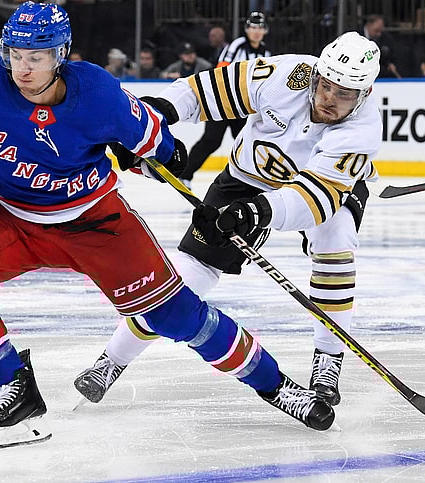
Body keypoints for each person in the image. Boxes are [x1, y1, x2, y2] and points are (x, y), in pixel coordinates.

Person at [0, 1, 335, 449]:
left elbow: (164, 150)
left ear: (61, 54)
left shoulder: (99, 94)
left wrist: (146, 159)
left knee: (176, 315)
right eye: (14, 54)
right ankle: (13, 387)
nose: (21, 68)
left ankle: (276, 385)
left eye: (36, 57)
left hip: (95, 222)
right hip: (10, 215)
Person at [75, 31, 383, 414]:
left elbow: (314, 200)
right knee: (186, 282)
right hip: (245, 180)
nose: (329, 99)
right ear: (317, 73)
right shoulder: (286, 75)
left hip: (322, 189)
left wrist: (257, 213)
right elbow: (204, 91)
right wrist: (148, 118)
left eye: (344, 94)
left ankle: (328, 361)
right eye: (326, 85)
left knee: (336, 242)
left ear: (364, 95)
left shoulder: (362, 130)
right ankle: (111, 361)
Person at [181, 12, 272, 185]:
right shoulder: (237, 45)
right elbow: (221, 68)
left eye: (260, 27)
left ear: (265, 30)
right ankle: (185, 174)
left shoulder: (266, 52)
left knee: (247, 142)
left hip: (243, 106)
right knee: (212, 140)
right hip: (222, 101)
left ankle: (249, 181)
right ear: (246, 29)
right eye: (253, 27)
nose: (256, 31)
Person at [359, 14, 401, 78]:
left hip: (379, 73)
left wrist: (391, 63)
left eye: (380, 31)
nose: (379, 34)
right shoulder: (357, 36)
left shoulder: (385, 38)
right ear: (369, 26)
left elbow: (391, 56)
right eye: (376, 31)